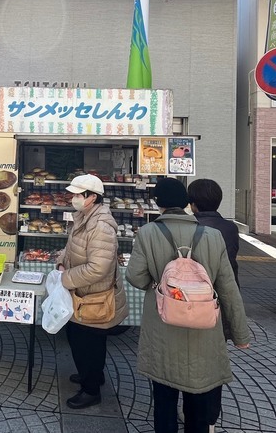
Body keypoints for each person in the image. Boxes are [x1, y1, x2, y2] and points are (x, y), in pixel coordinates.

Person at [126, 177, 250, 433]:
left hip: (163, 328)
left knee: (164, 400)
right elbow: (228, 288)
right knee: (199, 402)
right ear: (186, 203)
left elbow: (135, 277)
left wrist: (157, 282)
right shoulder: (213, 236)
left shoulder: (148, 233)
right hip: (203, 330)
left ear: (158, 203)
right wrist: (240, 334)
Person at [55, 174, 128, 410]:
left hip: (95, 297)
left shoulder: (100, 226)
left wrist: (66, 278)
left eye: (78, 194)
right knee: (81, 339)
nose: (73, 198)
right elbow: (72, 248)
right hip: (84, 294)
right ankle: (91, 375)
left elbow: (98, 267)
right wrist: (61, 261)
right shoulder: (84, 217)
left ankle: (91, 390)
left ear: (92, 197)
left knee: (88, 344)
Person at [187, 178, 240, 287]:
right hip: (224, 286)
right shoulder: (230, 228)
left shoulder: (187, 226)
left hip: (192, 288)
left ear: (193, 204)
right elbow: (230, 261)